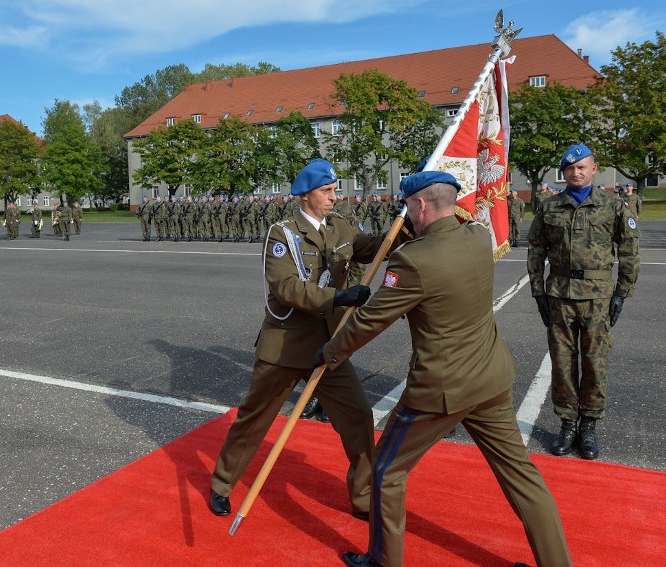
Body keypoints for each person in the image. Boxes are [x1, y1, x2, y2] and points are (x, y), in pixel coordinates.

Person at [327, 170, 572, 567]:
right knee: (521, 478)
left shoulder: (413, 259)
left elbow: (370, 321)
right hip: (490, 378)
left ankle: (383, 560)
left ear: (420, 204)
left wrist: (330, 353)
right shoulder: (478, 237)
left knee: (387, 472)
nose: (405, 214)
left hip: (441, 390)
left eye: (407, 206)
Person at [208, 158, 405, 521]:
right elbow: (285, 289)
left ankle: (362, 498)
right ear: (304, 195)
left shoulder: (340, 227)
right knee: (253, 420)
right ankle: (221, 484)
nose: (334, 197)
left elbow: (375, 246)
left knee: (359, 418)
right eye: (326, 191)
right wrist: (338, 298)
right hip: (285, 345)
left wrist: (405, 222)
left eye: (335, 190)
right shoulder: (282, 234)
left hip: (328, 346)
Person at [528, 144, 640, 461]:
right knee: (562, 364)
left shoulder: (615, 206)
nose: (575, 173)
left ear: (594, 169)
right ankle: (567, 424)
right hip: (560, 296)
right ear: (563, 173)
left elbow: (630, 252)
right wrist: (538, 293)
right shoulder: (549, 208)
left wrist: (621, 293)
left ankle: (588, 426)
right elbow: (535, 251)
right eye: (569, 169)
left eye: (581, 167)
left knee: (595, 364)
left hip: (598, 298)